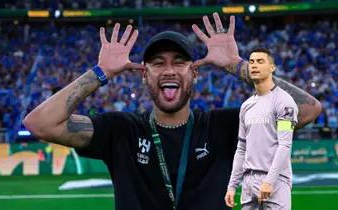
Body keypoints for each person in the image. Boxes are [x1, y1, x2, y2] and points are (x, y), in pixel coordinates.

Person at [23, 13, 321, 210]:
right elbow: (40, 124)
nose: (169, 70)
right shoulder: (121, 130)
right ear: (144, 74)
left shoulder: (225, 126)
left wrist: (236, 64)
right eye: (157, 62)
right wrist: (101, 72)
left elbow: (307, 109)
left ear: (195, 74)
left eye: (179, 62)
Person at [225, 48, 298, 210]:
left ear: (272, 68)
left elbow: (285, 145)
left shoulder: (284, 102)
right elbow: (241, 148)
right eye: (251, 62)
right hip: (248, 181)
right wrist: (232, 186)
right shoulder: (246, 106)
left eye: (260, 61)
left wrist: (269, 181)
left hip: (275, 180)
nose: (254, 65)